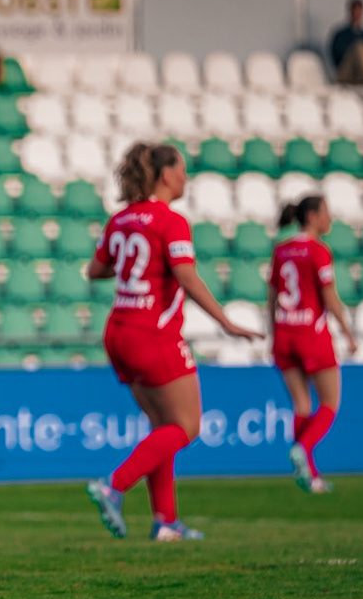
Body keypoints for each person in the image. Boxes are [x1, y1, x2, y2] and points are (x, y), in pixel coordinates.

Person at [83, 142, 263, 542]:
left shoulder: (121, 220)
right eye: (182, 169)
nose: (186, 177)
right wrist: (226, 322)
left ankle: (165, 521)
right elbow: (185, 276)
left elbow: (94, 271)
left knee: (161, 425)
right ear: (166, 175)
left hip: (119, 331)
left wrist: (133, 267)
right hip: (153, 333)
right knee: (187, 426)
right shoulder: (171, 222)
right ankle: (115, 484)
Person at [270, 196, 358, 495]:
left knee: (301, 405)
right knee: (330, 404)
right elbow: (329, 297)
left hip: (284, 332)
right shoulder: (319, 251)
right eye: (326, 213)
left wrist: (273, 334)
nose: (329, 218)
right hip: (311, 333)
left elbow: (272, 295)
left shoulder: (281, 250)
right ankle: (302, 448)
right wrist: (347, 333)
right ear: (312, 216)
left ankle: (310, 476)